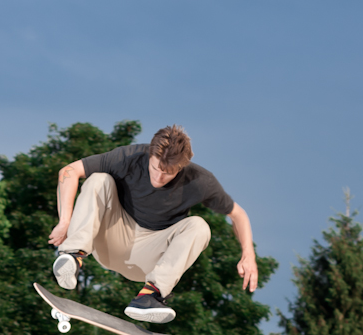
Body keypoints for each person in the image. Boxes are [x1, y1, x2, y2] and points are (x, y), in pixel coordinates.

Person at [48, 125, 259, 323]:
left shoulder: (200, 180)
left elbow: (238, 214)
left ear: (182, 167)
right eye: (155, 167)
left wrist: (248, 254)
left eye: (168, 172)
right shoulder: (128, 157)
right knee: (99, 180)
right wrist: (65, 222)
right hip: (112, 239)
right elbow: (69, 171)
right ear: (150, 154)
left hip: (150, 256)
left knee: (199, 226)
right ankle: (73, 255)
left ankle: (150, 296)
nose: (159, 177)